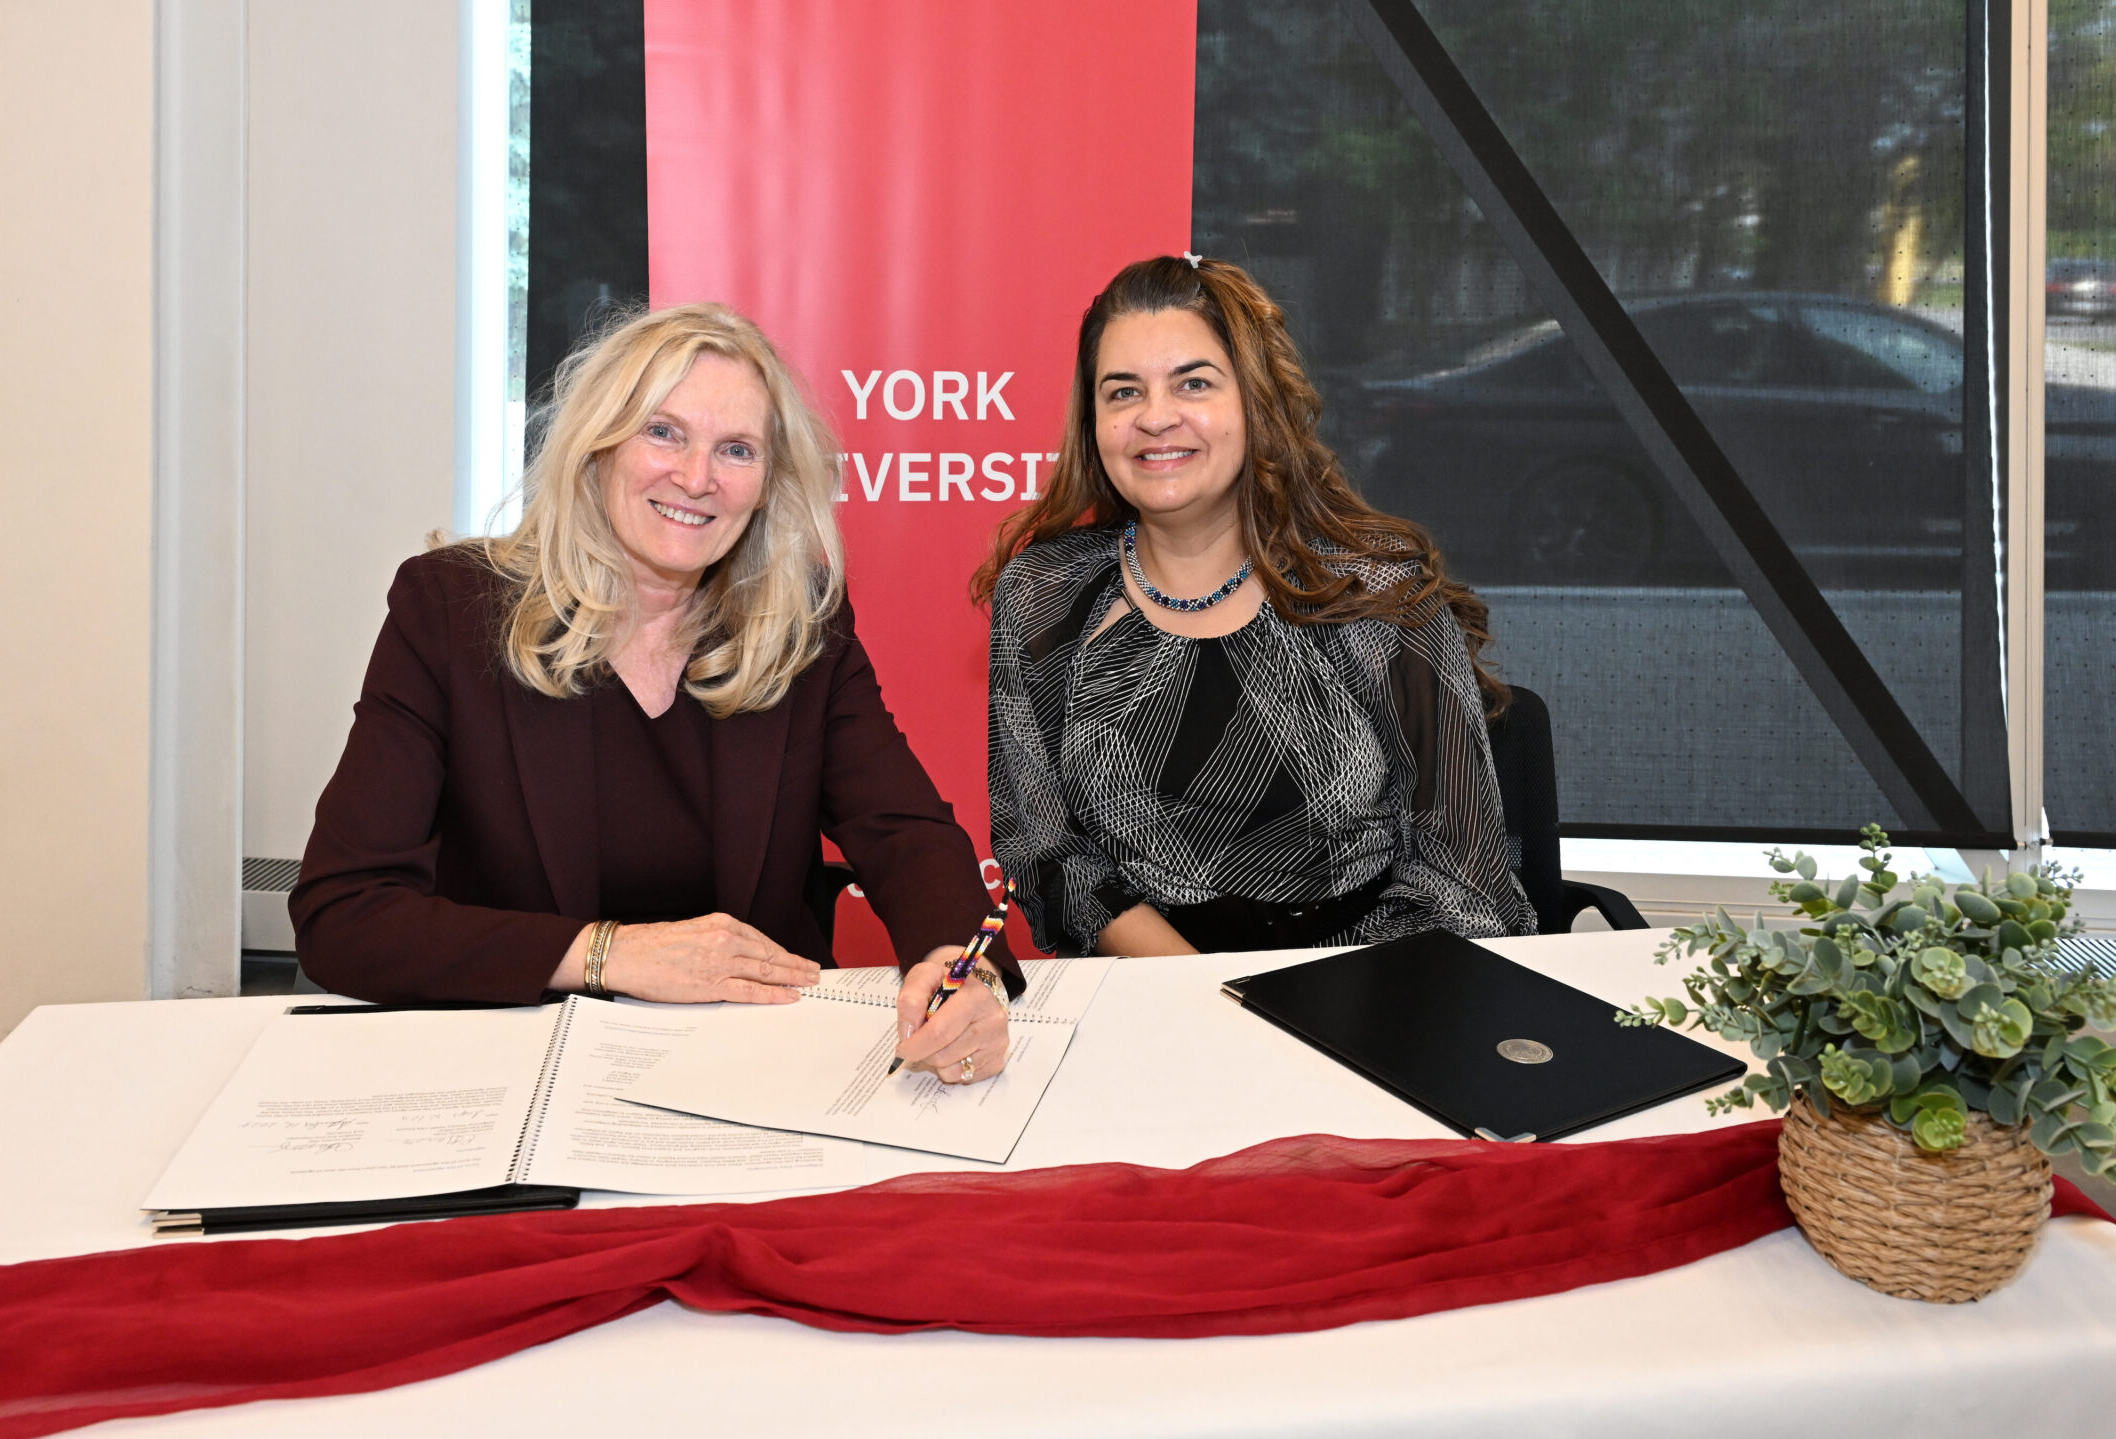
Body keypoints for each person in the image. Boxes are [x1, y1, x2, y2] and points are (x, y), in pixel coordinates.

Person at [294, 302, 1014, 1084]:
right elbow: (344, 913)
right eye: (663, 432)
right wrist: (612, 953)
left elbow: (907, 834)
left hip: (754, 1067)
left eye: (736, 449)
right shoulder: (449, 611)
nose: (697, 478)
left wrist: (959, 967)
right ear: (597, 447)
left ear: (768, 484)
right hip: (518, 1063)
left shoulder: (799, 621)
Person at [975, 255, 1536, 957]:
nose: (1155, 417)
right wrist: (1197, 993)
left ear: (1254, 401)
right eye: (1122, 393)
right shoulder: (1045, 594)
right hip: (1145, 994)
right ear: (1094, 421)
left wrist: (1310, 1018)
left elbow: (1463, 879)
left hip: (1372, 988)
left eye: (1194, 383)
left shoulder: (1375, 595)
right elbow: (1047, 849)